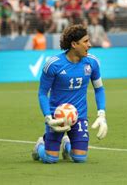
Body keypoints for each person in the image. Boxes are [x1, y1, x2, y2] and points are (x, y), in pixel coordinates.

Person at [32, 24, 108, 164]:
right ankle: (40, 145)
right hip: (57, 116)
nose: (89, 45)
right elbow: (42, 93)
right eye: (85, 41)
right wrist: (48, 117)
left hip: (79, 115)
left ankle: (67, 144)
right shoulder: (53, 64)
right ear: (74, 44)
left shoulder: (92, 62)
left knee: (80, 158)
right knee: (50, 158)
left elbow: (99, 89)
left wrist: (101, 114)